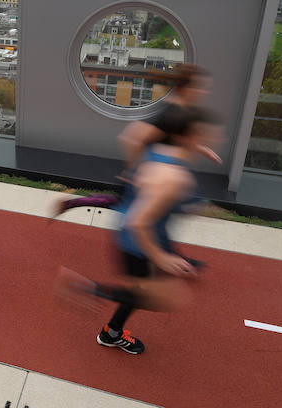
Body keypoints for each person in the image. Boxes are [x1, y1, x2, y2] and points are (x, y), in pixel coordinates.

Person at [55, 105, 219, 355]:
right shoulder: (174, 177)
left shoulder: (157, 151)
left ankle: (111, 332)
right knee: (167, 298)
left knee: (143, 291)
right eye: (204, 135)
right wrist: (161, 256)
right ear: (184, 136)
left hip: (141, 235)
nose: (213, 139)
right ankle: (87, 290)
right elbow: (138, 222)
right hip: (137, 242)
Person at [53, 64, 220, 217]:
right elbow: (131, 138)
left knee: (130, 207)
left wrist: (202, 149)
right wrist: (134, 172)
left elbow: (176, 139)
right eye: (200, 88)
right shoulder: (171, 113)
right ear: (187, 88)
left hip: (157, 172)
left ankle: (71, 203)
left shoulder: (182, 111)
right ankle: (72, 203)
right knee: (130, 209)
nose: (204, 92)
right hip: (147, 174)